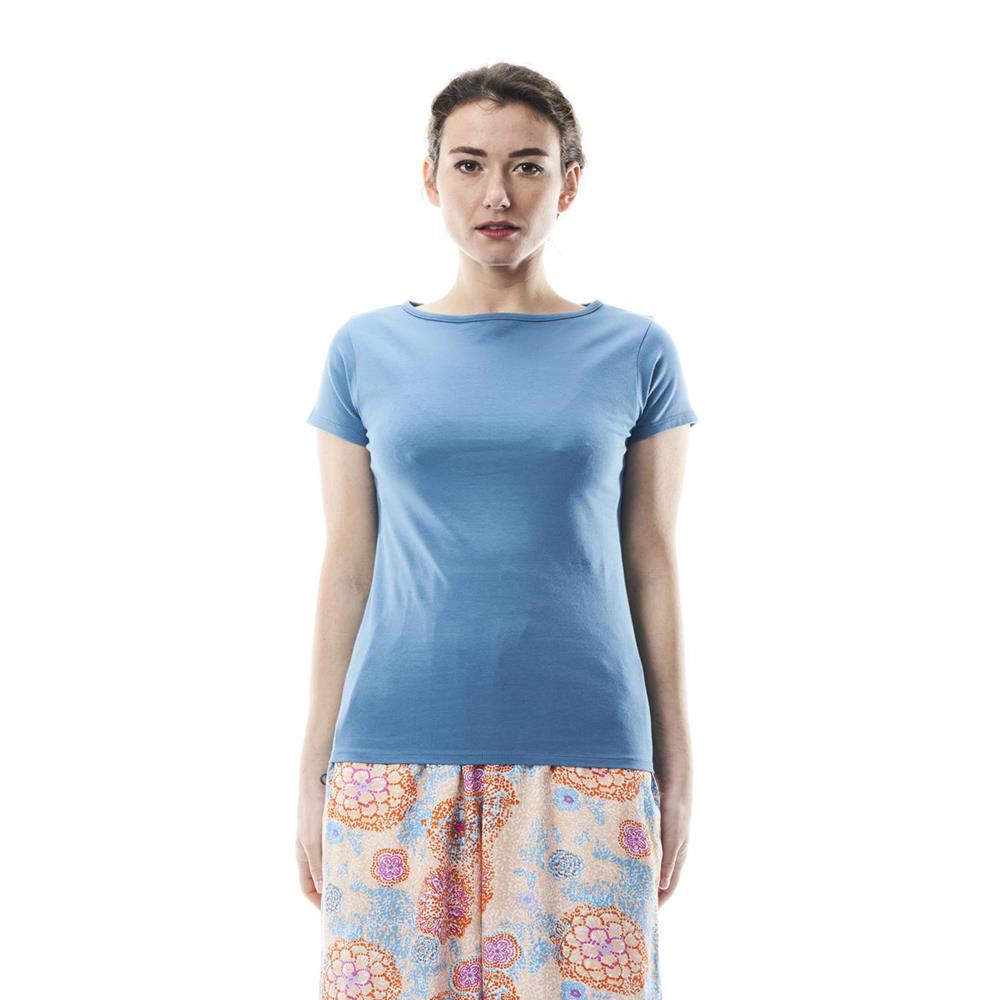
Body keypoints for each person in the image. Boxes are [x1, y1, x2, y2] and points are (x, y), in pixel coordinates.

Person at [296, 62, 698, 1000]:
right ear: (430, 177)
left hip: (589, 753)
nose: (498, 194)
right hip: (391, 754)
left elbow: (652, 565)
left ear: (570, 182)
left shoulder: (637, 351)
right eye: (470, 164)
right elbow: (347, 566)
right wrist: (312, 766)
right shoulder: (363, 350)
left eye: (528, 165)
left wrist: (676, 765)